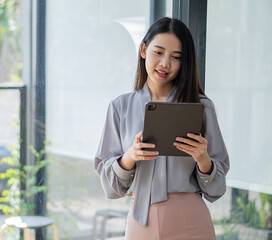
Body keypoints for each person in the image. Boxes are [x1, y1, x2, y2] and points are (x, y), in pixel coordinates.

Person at [94, 17, 229, 239]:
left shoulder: (202, 107)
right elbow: (110, 187)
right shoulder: (120, 107)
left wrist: (203, 159)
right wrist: (129, 156)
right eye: (159, 52)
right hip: (141, 220)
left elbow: (218, 187)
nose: (165, 63)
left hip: (192, 220)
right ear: (144, 50)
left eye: (176, 57)